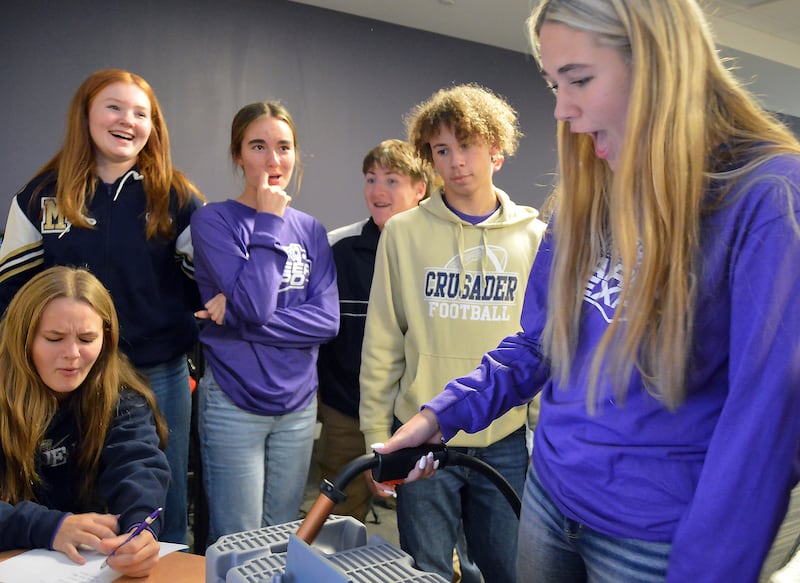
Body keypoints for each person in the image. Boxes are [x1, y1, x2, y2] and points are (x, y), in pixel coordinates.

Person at [377, 1, 800, 582]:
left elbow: (767, 422)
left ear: (659, 63)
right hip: (551, 501)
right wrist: (441, 415)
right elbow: (540, 342)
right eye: (554, 83)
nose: (562, 109)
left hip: (657, 540)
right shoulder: (591, 193)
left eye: (578, 79)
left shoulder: (768, 196)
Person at [0, 69, 205, 544]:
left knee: (158, 495)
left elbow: (206, 285)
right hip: (60, 373)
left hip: (156, 372)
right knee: (54, 489)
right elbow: (11, 293)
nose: (127, 120)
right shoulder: (39, 197)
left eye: (141, 113)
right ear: (86, 114)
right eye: (114, 107)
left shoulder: (176, 197)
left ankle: (157, 563)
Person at [359, 84, 547, 582]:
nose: (456, 161)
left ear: (497, 151)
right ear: (430, 159)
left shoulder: (534, 236)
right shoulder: (402, 232)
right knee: (425, 570)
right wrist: (378, 433)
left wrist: (538, 434)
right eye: (442, 150)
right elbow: (383, 341)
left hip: (505, 439)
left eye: (467, 145)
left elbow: (541, 345)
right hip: (422, 431)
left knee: (508, 568)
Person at [191, 101, 339, 544]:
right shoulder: (213, 219)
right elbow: (256, 307)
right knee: (238, 542)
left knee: (282, 538)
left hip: (297, 406)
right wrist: (270, 221)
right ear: (238, 155)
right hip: (234, 401)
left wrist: (233, 312)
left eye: (284, 147)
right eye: (259, 146)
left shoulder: (312, 229)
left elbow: (327, 321)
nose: (274, 161)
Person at [0, 266, 170, 578]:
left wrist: (141, 528)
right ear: (22, 339)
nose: (72, 354)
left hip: (86, 565)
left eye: (87, 338)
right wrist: (50, 527)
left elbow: (138, 464)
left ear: (106, 340)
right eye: (54, 338)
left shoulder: (122, 397)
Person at [316, 139, 434, 523]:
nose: (378, 191)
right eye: (371, 178)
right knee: (338, 524)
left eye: (392, 180)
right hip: (347, 412)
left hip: (419, 417)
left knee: (427, 526)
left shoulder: (440, 251)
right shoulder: (338, 247)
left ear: (421, 188)